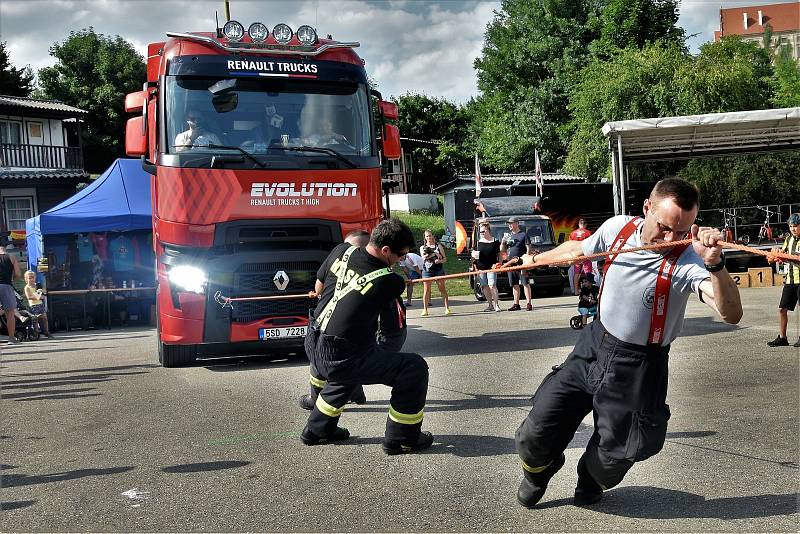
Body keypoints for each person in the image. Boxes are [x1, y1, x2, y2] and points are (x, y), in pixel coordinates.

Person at [514, 178, 742, 509]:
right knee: (536, 430)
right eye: (665, 228)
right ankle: (539, 472)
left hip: (639, 366)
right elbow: (580, 249)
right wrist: (536, 259)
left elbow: (730, 313)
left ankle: (589, 478)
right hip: (594, 344)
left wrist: (716, 265)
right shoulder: (618, 228)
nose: (671, 239)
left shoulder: (687, 259)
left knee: (620, 451)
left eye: (682, 232)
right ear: (647, 208)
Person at [301, 219, 433, 454]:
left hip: (314, 342)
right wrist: (386, 357)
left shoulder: (341, 250)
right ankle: (402, 439)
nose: (401, 260)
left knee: (350, 367)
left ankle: (317, 429)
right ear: (385, 250)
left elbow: (320, 287)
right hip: (340, 356)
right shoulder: (391, 281)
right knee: (413, 367)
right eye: (400, 255)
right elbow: (392, 329)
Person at [300, 230, 371, 410]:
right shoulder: (372, 266)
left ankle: (316, 400)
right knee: (351, 357)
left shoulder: (338, 252)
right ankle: (356, 394)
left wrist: (319, 293)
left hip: (327, 323)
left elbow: (319, 283)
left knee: (318, 360)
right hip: (356, 326)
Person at [767, 213, 800, 347]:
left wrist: (785, 257)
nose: (793, 229)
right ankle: (783, 337)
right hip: (790, 280)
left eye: (796, 226)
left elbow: (794, 258)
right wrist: (774, 255)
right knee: (782, 309)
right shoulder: (788, 239)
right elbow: (782, 253)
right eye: (791, 226)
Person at [501, 217, 532, 311]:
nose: (509, 225)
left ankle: (528, 303)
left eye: (511, 223)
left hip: (521, 263)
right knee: (514, 284)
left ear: (517, 223)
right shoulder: (508, 236)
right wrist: (503, 242)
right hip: (511, 263)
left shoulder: (523, 234)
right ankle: (516, 304)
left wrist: (526, 261)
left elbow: (528, 248)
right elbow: (502, 250)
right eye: (508, 224)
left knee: (525, 283)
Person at [420, 230, 451, 317]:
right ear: (425, 238)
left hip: (438, 269)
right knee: (426, 290)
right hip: (427, 270)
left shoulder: (439, 246)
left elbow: (445, 259)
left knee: (442, 289)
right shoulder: (423, 247)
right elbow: (423, 257)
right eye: (427, 236)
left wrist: (440, 260)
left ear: (433, 236)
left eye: (430, 236)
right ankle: (425, 309)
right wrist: (434, 254)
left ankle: (447, 308)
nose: (428, 238)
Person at [472, 221, 501, 312]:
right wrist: (473, 259)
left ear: (488, 230)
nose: (482, 233)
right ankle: (490, 305)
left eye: (483, 231)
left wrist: (499, 264)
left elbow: (500, 255)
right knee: (484, 286)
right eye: (481, 232)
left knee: (492, 285)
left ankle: (496, 305)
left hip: (492, 267)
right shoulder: (478, 242)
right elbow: (474, 256)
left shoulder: (495, 241)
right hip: (481, 267)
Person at [0, 237, 22, 345]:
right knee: (10, 313)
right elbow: (18, 274)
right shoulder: (11, 257)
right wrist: (12, 278)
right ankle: (11, 338)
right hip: (6, 286)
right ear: (5, 247)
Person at [23, 271, 52, 338]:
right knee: (35, 319)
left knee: (45, 318)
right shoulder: (27, 287)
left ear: (35, 278)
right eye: (29, 278)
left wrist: (42, 291)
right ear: (26, 279)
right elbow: (29, 297)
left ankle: (47, 332)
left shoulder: (37, 285)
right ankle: (36, 332)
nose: (31, 279)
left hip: (40, 304)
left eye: (32, 277)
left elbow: (43, 293)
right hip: (33, 306)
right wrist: (38, 297)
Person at [568, 218, 593, 294]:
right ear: (585, 225)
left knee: (576, 273)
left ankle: (576, 291)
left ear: (579, 224)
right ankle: (588, 290)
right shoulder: (589, 233)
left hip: (577, 255)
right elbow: (591, 245)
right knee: (588, 272)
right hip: (586, 255)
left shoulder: (572, 234)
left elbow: (570, 245)